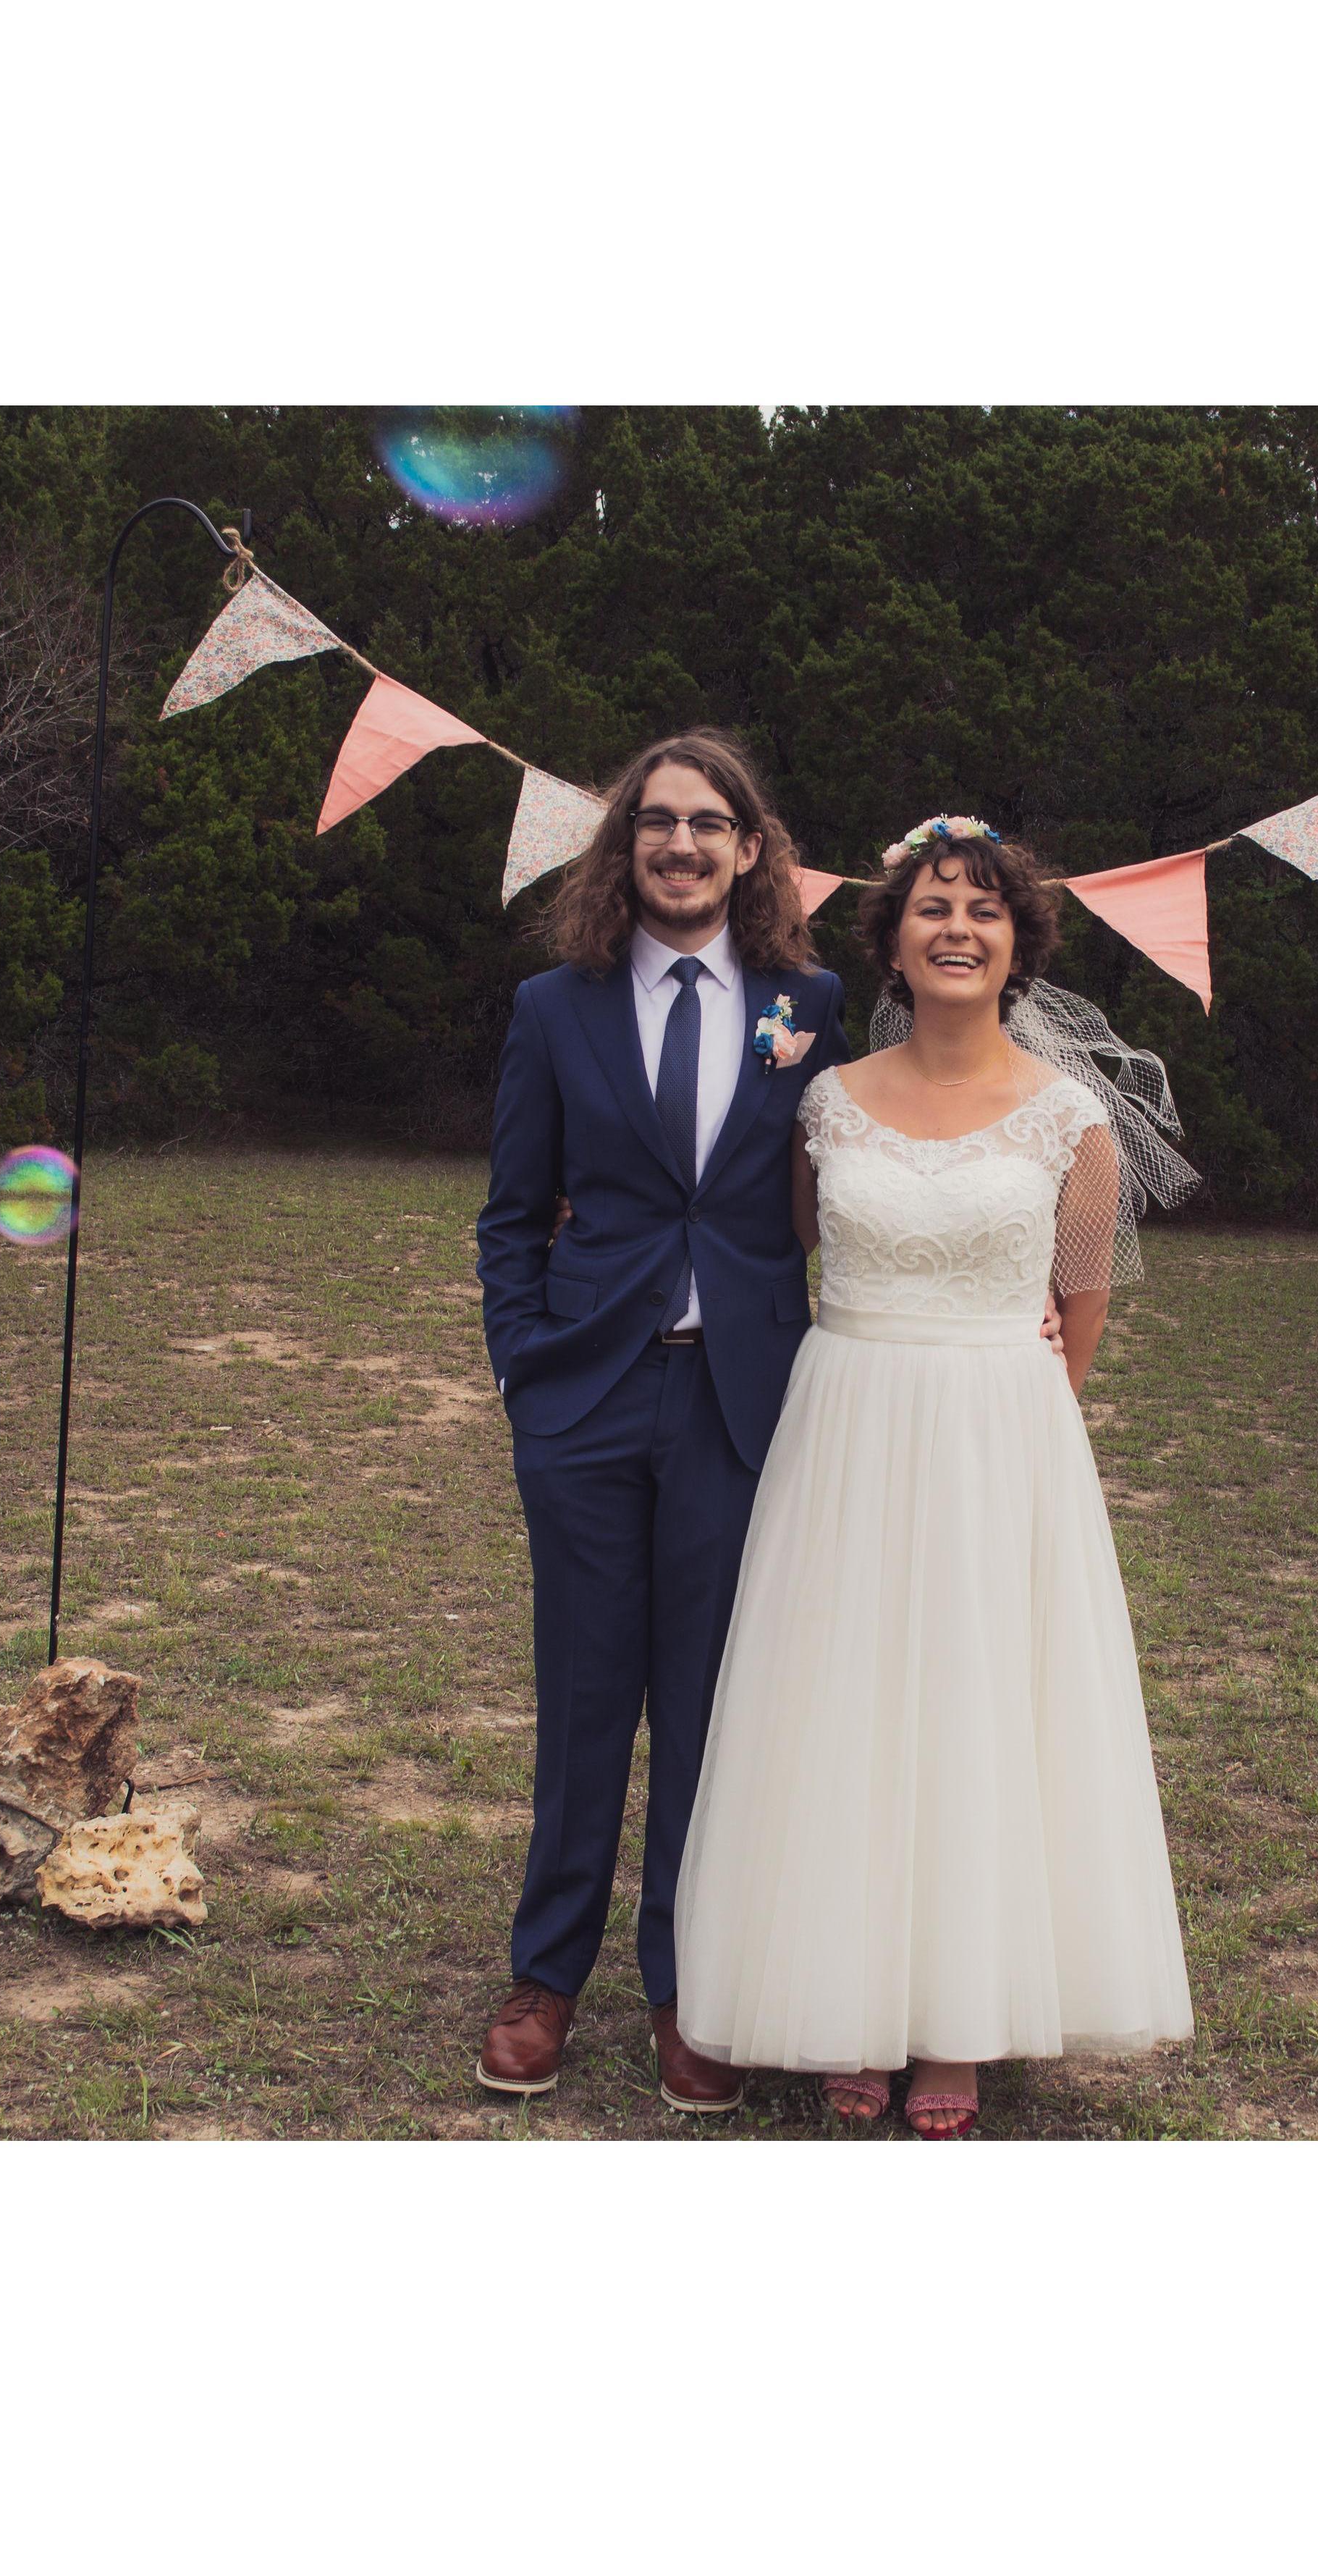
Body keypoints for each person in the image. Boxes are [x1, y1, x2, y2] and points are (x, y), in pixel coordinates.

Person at [674, 816, 1196, 2136]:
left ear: (1018, 942)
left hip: (998, 1443)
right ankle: (850, 2001)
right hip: (845, 1426)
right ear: (893, 942)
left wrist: (1008, 1434)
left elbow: (1080, 1308)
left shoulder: (1074, 1123)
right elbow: (790, 1246)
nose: (956, 927)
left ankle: (957, 2021)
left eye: (983, 909)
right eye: (930, 907)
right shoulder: (826, 1102)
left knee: (972, 1713)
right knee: (845, 1703)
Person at [470, 728, 850, 2113]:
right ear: (624, 846)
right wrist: (526, 1368)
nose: (680, 844)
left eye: (709, 823)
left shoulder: (811, 1001)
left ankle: (691, 1991)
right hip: (585, 1395)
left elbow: (864, 1185)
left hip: (739, 1403)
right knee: (584, 1699)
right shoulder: (553, 1009)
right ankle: (545, 1979)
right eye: (656, 822)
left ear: (753, 851)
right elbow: (511, 1216)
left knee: (707, 1709)